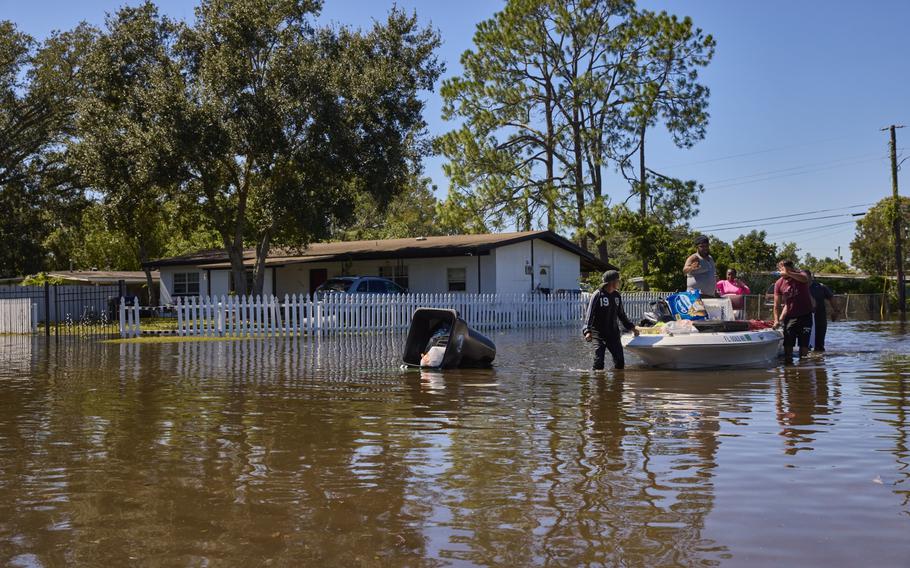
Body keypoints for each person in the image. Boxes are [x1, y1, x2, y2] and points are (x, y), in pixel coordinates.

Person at [584, 270, 639, 370]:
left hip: (613, 334)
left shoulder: (617, 296)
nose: (619, 283)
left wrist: (631, 327)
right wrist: (587, 331)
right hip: (598, 334)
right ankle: (598, 383)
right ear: (611, 282)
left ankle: (617, 383)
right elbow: (589, 314)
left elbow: (621, 315)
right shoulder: (597, 295)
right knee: (599, 362)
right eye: (618, 281)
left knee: (620, 362)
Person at [772, 260, 812, 360]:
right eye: (781, 269)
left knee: (803, 348)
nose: (782, 272)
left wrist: (788, 272)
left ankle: (803, 371)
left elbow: (805, 279)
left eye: (784, 269)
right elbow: (776, 305)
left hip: (805, 315)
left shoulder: (800, 275)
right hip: (790, 317)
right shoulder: (778, 283)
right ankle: (789, 369)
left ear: (791, 269)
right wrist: (777, 320)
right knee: (788, 347)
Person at [805, 270, 840, 352]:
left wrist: (836, 311)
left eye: (805, 277)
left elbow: (831, 297)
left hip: (820, 319)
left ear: (810, 277)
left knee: (819, 345)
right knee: (805, 344)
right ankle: (805, 363)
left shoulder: (820, 286)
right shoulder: (798, 287)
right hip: (804, 319)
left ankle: (819, 362)